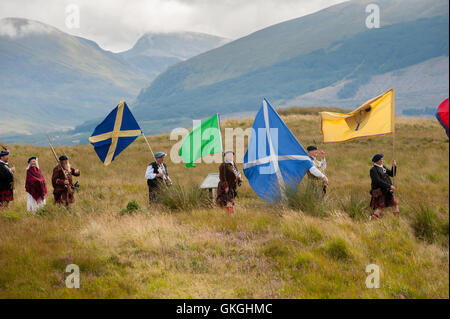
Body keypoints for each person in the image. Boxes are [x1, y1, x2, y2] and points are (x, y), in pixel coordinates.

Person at [369, 153, 399, 220]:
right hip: (380, 191)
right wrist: (389, 186)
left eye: (381, 159)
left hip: (387, 190)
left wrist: (394, 166)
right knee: (380, 207)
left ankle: (397, 221)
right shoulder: (373, 170)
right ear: (376, 161)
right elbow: (378, 181)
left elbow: (392, 174)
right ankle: (373, 219)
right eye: (380, 159)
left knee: (395, 205)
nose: (382, 160)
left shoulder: (383, 167)